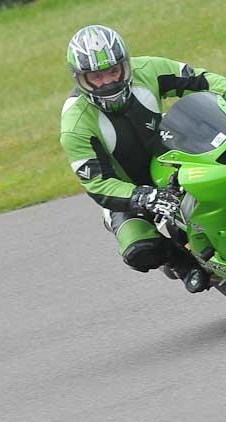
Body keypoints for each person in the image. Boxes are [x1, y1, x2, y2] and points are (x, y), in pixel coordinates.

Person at [60, 25, 226, 292]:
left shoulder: (147, 69)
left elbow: (200, 80)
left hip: (167, 159)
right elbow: (98, 184)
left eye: (113, 71)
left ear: (125, 65)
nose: (108, 82)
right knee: (138, 248)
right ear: (81, 79)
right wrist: (142, 196)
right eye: (97, 76)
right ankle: (184, 264)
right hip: (125, 192)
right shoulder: (75, 125)